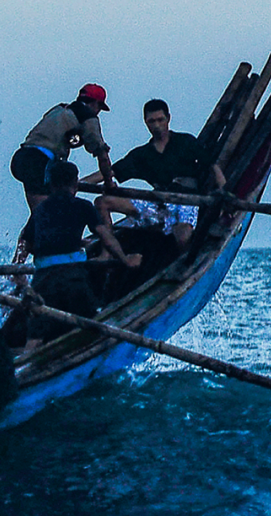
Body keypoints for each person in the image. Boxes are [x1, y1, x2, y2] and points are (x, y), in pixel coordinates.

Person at [20, 160, 140, 346]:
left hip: (42, 279)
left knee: (35, 335)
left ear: (50, 184)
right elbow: (106, 236)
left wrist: (72, 243)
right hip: (72, 277)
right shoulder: (83, 206)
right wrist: (125, 259)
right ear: (75, 184)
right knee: (92, 326)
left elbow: (28, 244)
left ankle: (22, 368)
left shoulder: (40, 210)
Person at [92, 99, 202, 249]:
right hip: (157, 204)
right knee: (102, 202)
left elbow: (212, 165)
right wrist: (78, 183)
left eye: (160, 120)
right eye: (152, 121)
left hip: (186, 202)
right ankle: (108, 252)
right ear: (146, 122)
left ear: (168, 118)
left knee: (182, 237)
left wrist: (223, 191)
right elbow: (111, 172)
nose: (156, 126)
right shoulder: (142, 154)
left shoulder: (186, 142)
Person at [10, 84, 117, 214]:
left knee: (38, 215)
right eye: (100, 107)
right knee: (46, 215)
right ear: (96, 103)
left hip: (22, 157)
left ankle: (29, 234)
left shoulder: (58, 109)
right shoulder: (87, 116)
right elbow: (102, 155)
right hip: (41, 162)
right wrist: (109, 183)